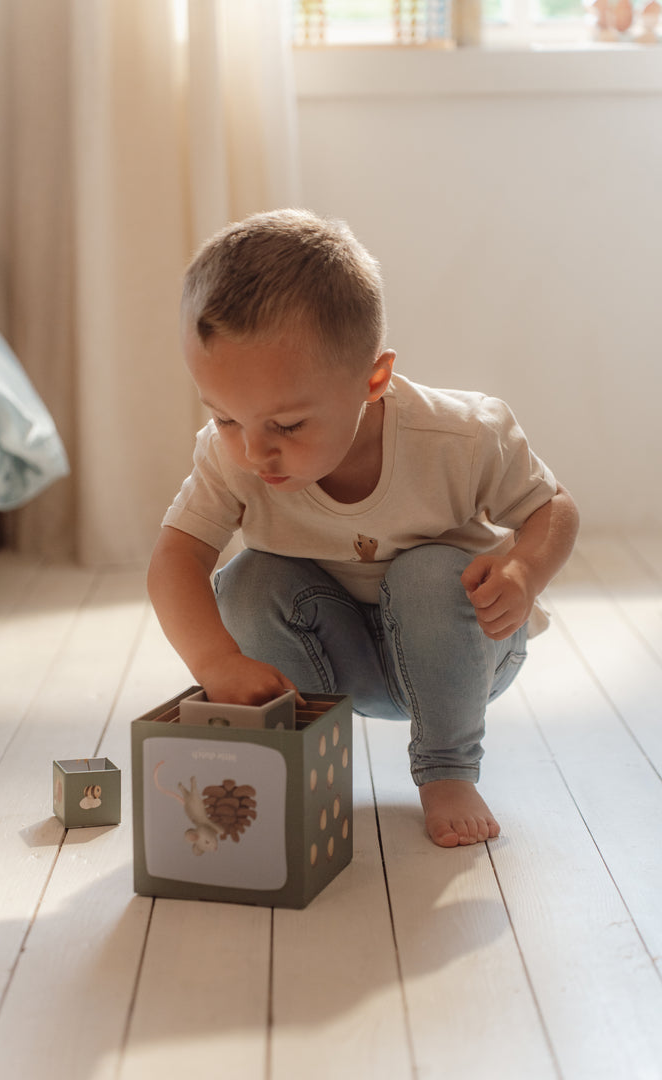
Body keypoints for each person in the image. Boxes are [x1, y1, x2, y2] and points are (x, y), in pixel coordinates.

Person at [148, 209, 579, 849]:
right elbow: (175, 559)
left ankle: (448, 769)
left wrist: (524, 571)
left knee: (429, 572)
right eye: (225, 419)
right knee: (246, 580)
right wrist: (217, 661)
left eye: (287, 425)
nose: (253, 452)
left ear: (373, 380)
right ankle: (299, 752)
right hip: (337, 653)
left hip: (464, 650)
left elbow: (554, 507)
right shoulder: (230, 459)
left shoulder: (460, 436)